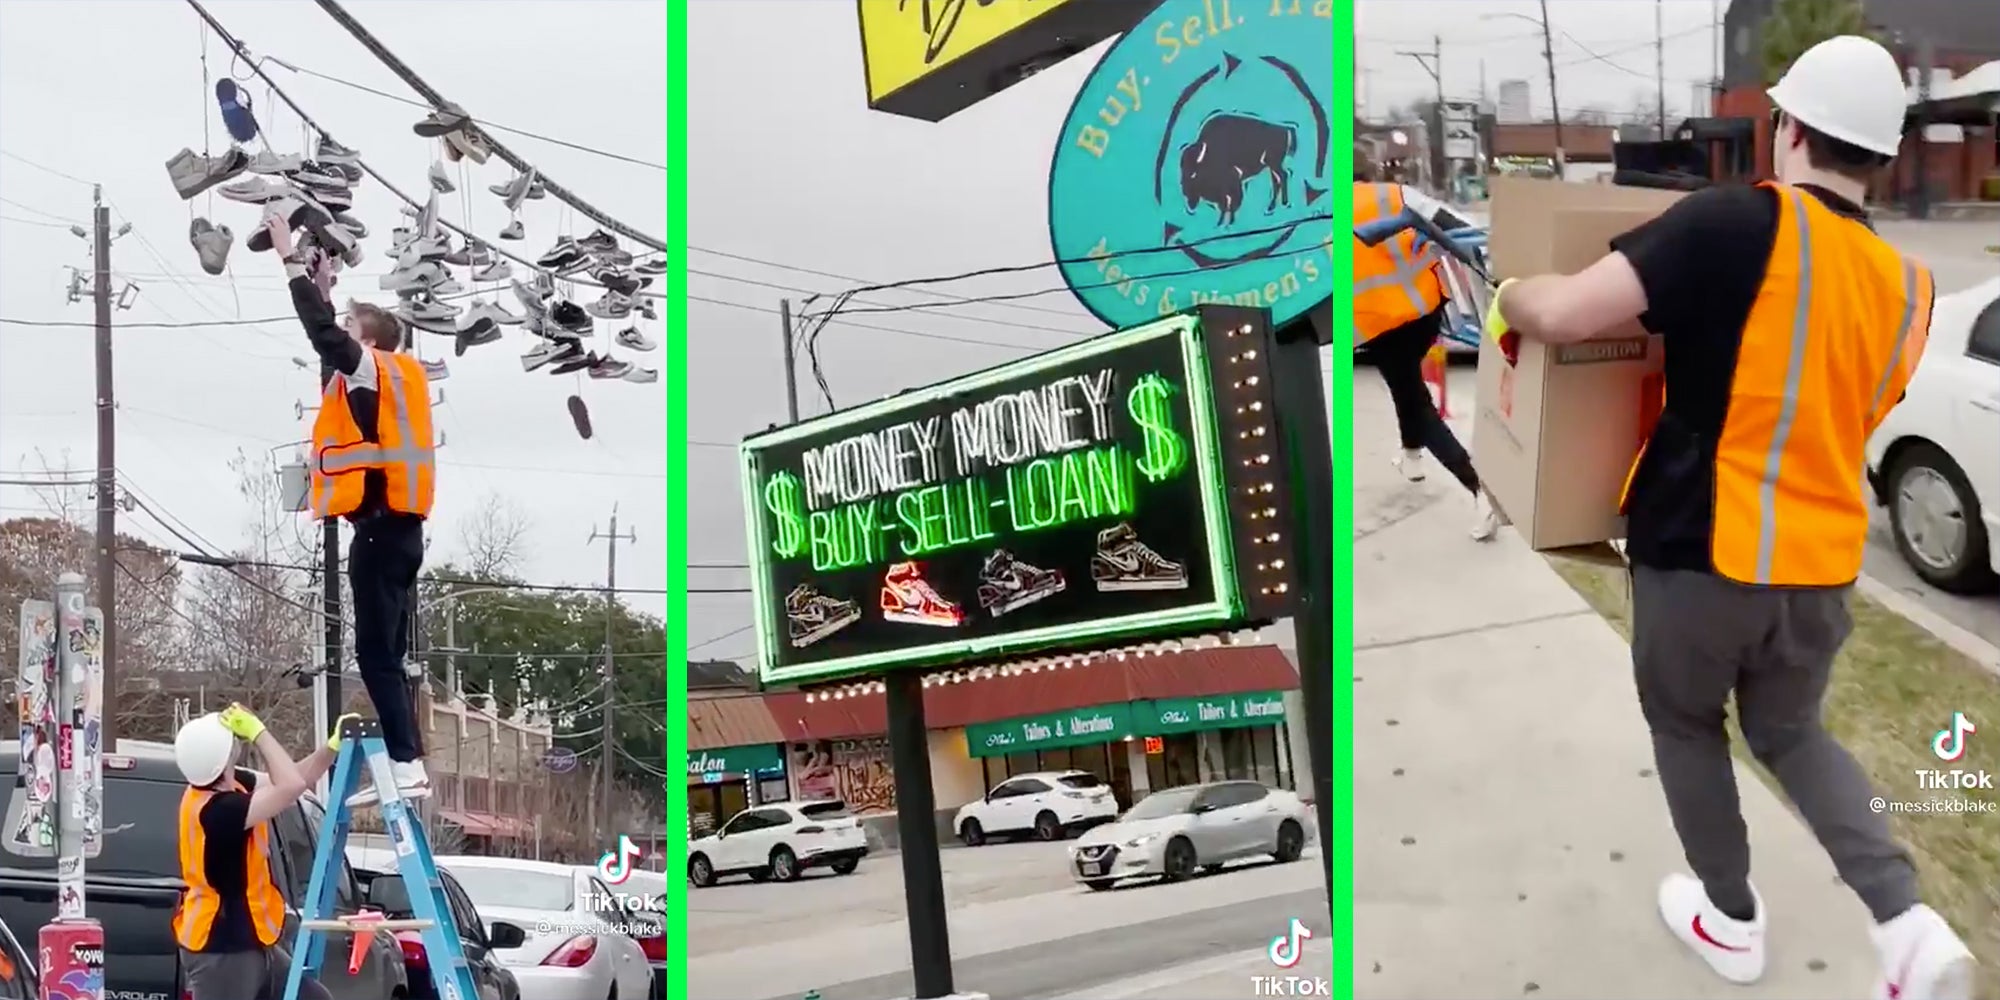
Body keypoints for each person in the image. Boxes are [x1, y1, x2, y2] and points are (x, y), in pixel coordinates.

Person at [1486, 36, 1974, 999]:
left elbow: (1572, 315)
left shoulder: (1732, 225)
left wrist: (1507, 294)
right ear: (1880, 155)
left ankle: (1732, 918)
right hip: (1823, 566)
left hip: (1704, 548)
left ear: (1787, 129)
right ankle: (1909, 926)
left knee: (1684, 725)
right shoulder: (1910, 289)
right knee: (1792, 732)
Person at [269, 214, 438, 803]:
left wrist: (291, 259)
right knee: (387, 655)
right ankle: (405, 760)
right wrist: (323, 284)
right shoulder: (393, 377)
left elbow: (322, 337)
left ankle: (407, 764)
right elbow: (330, 357)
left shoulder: (373, 367)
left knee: (374, 655)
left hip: (380, 530)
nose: (341, 330)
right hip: (403, 529)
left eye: (350, 326)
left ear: (368, 341)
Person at [1352, 162, 1500, 540]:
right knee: (1407, 387)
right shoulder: (1397, 196)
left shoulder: (1320, 216)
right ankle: (1412, 456)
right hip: (1424, 313)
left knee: (1413, 399)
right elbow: (1464, 230)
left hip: (1377, 326)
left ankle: (1480, 490)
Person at [173, 705, 351, 1000]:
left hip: (250, 938)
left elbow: (296, 779)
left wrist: (330, 748)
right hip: (223, 946)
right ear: (223, 758)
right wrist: (258, 732)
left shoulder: (228, 785)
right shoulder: (219, 811)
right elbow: (291, 786)